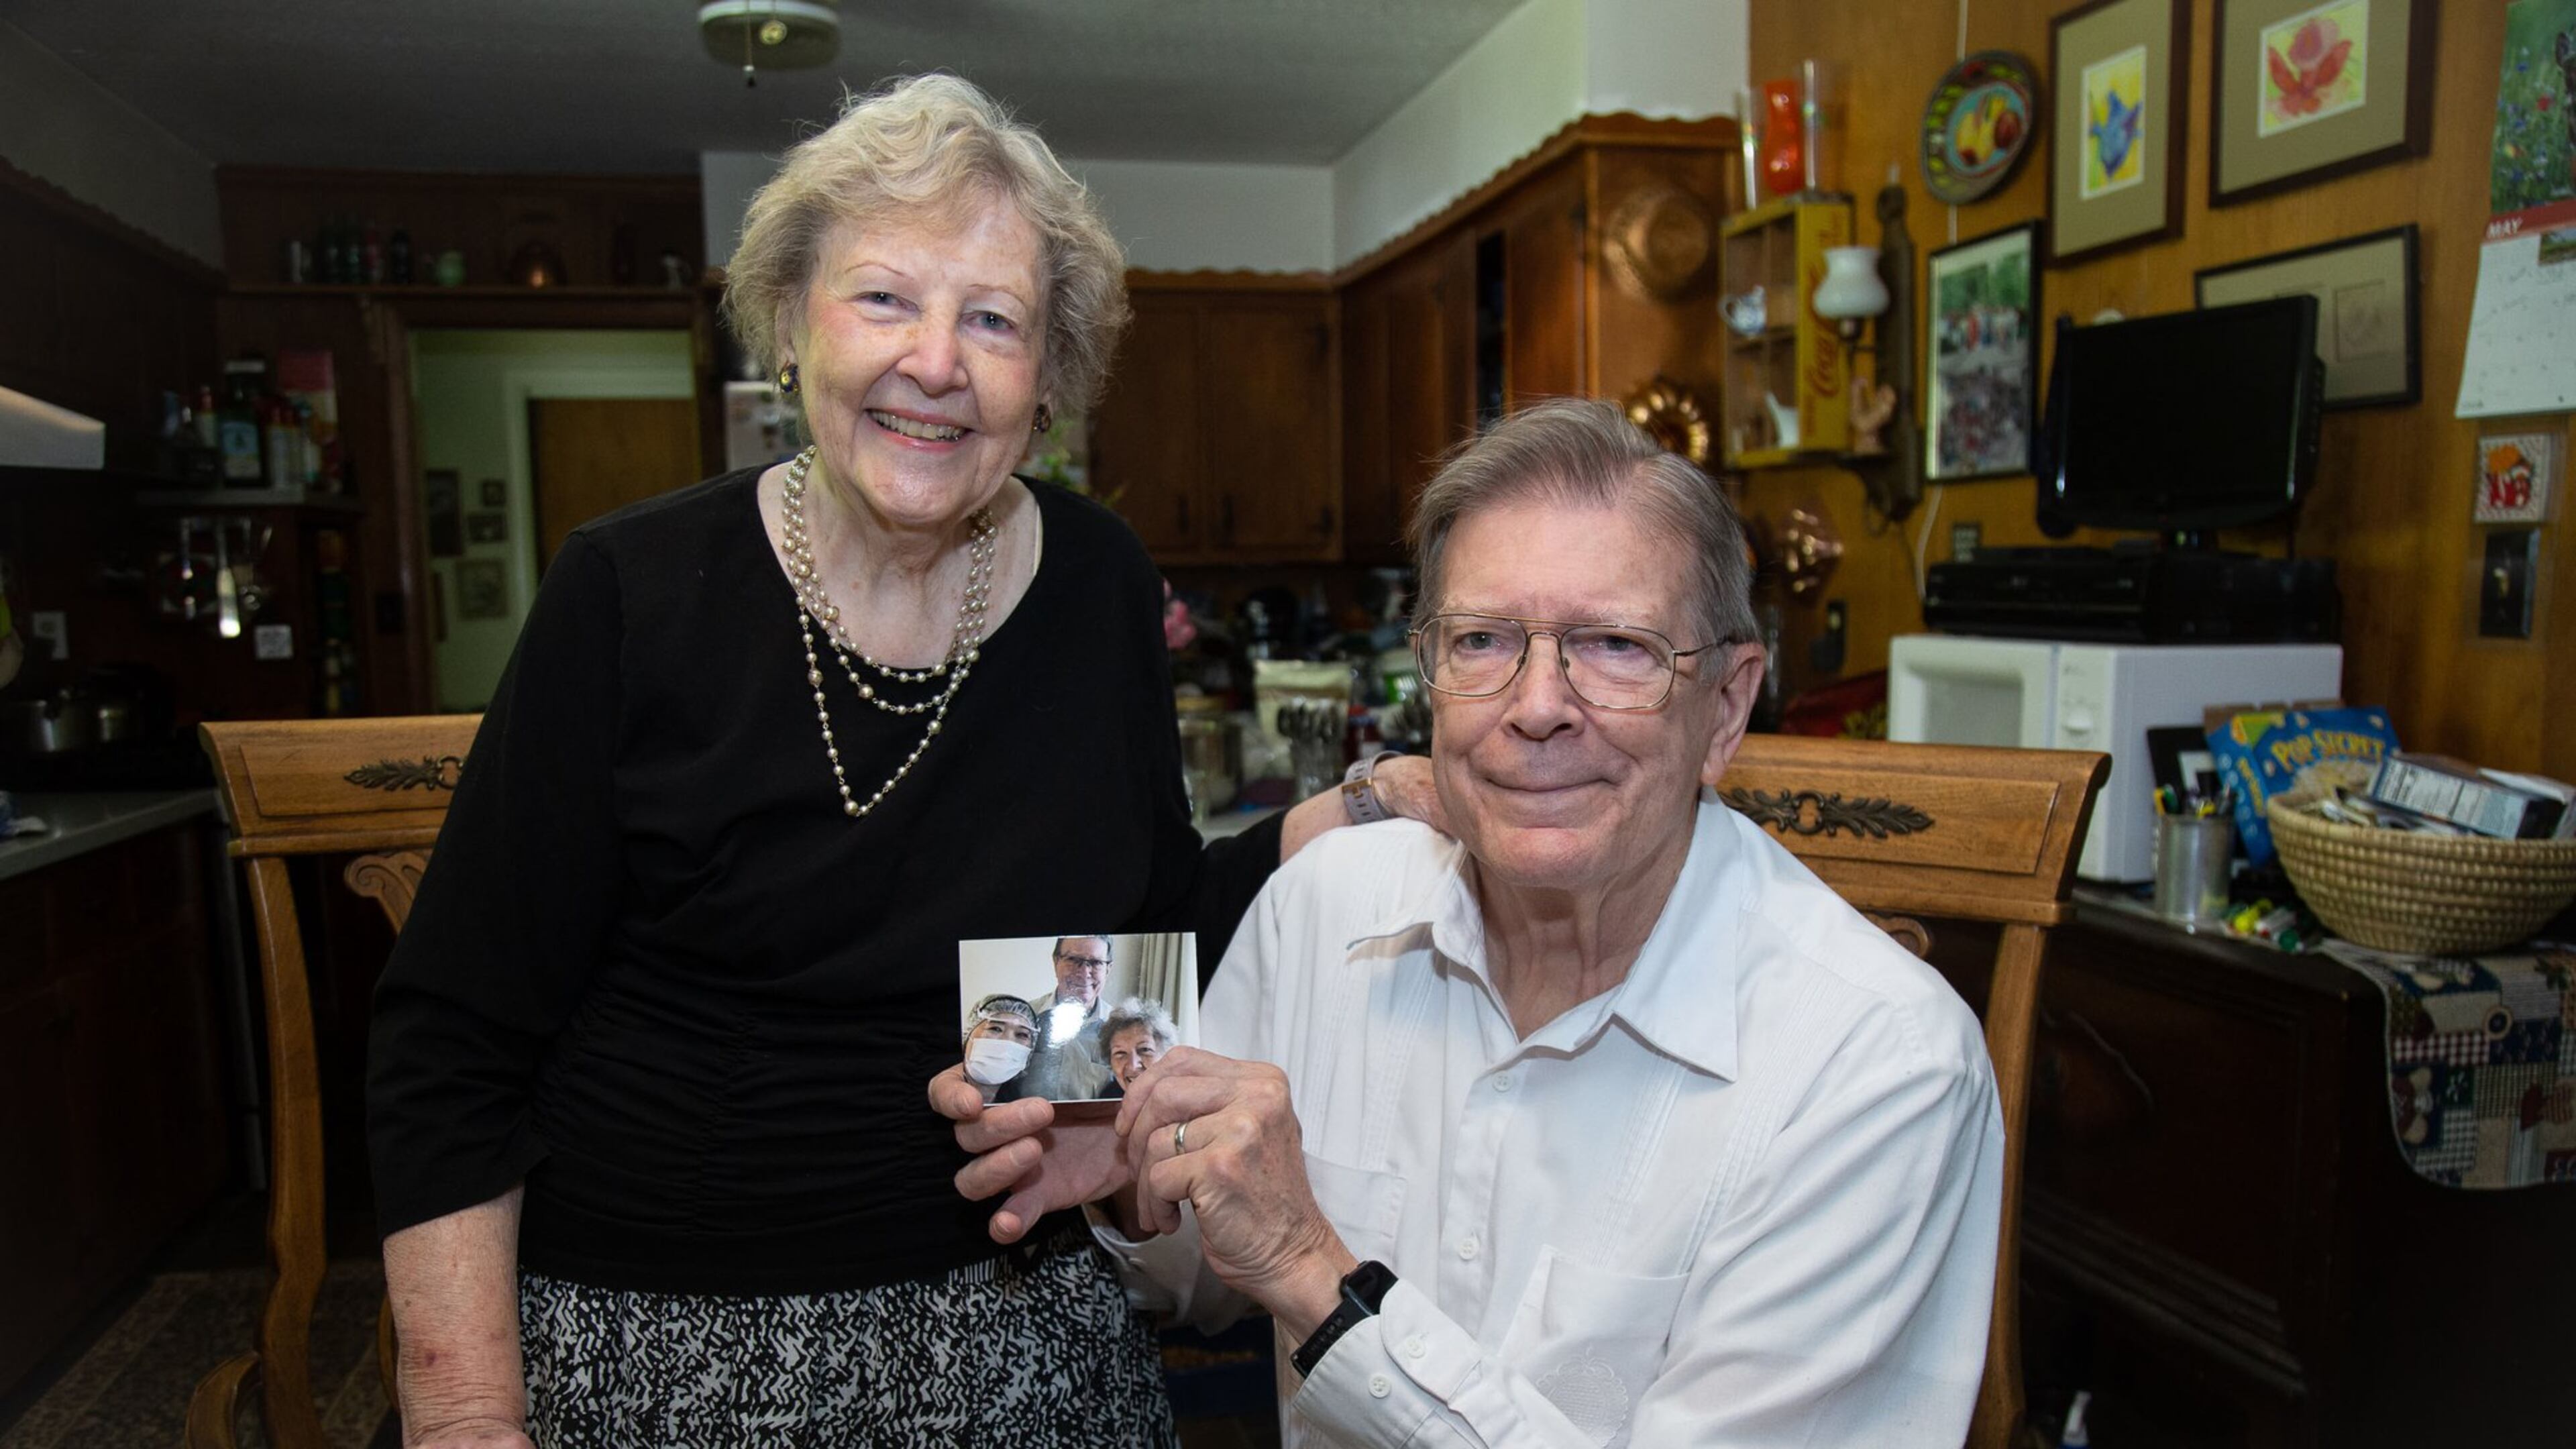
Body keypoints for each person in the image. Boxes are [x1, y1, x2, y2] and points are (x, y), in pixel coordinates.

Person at [369, 73, 1438, 1449]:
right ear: (788, 326)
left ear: (1047, 378)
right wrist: (464, 1412)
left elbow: (1127, 927)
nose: (937, 362)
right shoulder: (633, 590)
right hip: (655, 1329)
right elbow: (453, 1034)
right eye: (884, 300)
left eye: (992, 320)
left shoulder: (1099, 579)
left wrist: (1351, 807)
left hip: (1013, 1312)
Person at [939, 399, 2002, 1447]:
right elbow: (1212, 1270)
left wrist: (1318, 1277)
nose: (1538, 705)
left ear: (1725, 707)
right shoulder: (1326, 907)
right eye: (1484, 640)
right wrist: (1130, 1188)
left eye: (1617, 645)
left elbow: (1284, 1261)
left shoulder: (1877, 1067)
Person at [1020, 934, 1116, 1098]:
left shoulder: (1121, 1028)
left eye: (1096, 963)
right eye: (1073, 959)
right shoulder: (1023, 1019)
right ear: (1056, 962)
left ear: (1108, 969)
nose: (1085, 972)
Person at [963, 994, 1040, 1104]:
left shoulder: (1021, 1105)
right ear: (969, 1034)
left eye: (1022, 1035)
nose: (1007, 1041)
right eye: (995, 1029)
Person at [1099, 997, 1177, 1091]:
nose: (1133, 1066)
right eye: (1120, 1053)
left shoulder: (1184, 1097)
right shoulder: (1108, 1098)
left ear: (1166, 1055)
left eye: (1145, 1050)